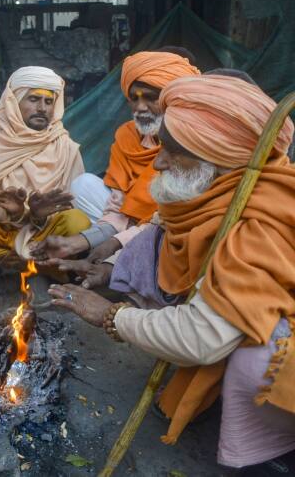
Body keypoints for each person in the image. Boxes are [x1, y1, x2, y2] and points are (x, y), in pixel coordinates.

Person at [47, 75, 295, 474]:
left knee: (261, 358)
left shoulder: (260, 225)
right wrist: (108, 268)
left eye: (174, 152)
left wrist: (109, 316)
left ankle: (275, 449)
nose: (158, 162)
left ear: (219, 157)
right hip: (218, 316)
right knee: (158, 235)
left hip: (280, 348)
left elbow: (203, 337)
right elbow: (152, 228)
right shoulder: (214, 192)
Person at [41, 51, 200, 265]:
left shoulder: (193, 141)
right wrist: (82, 241)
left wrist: (114, 242)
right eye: (134, 98)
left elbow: (167, 217)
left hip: (171, 225)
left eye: (150, 97)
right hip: (129, 219)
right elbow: (117, 205)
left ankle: (117, 262)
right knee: (83, 185)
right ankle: (111, 257)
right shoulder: (127, 135)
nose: (139, 108)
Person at [0, 66, 91, 310]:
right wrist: (14, 213)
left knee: (78, 222)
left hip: (43, 234)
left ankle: (39, 269)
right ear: (14, 101)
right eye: (34, 99)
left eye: (49, 101)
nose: (42, 108)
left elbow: (71, 201)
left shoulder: (65, 146)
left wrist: (39, 216)